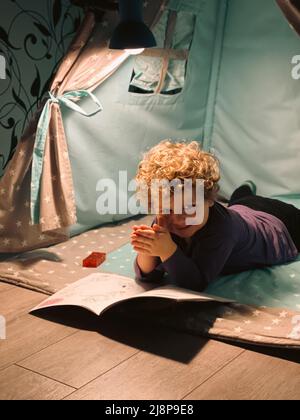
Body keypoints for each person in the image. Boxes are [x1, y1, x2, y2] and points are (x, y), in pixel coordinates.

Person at [130, 140, 300, 292]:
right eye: (167, 209)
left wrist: (167, 250)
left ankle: (244, 192)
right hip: (242, 208)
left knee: (244, 204)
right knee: (241, 200)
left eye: (189, 206)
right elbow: (147, 277)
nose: (180, 218)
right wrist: (147, 249)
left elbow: (194, 284)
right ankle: (244, 190)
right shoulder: (165, 221)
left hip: (281, 226)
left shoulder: (223, 230)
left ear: (210, 198)